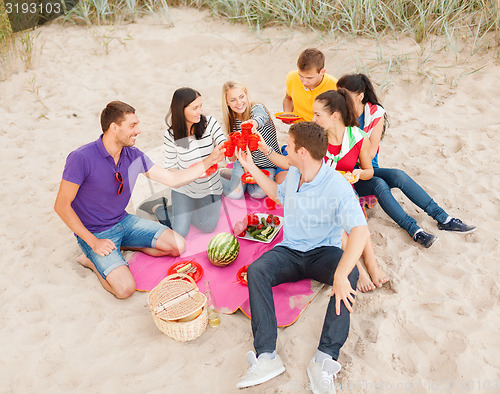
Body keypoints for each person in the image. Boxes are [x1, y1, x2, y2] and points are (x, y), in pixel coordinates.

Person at [235, 122, 369, 393]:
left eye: (289, 144)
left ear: (303, 151)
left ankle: (324, 359)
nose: (285, 147)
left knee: (350, 273)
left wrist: (341, 275)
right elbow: (276, 193)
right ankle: (267, 357)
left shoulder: (337, 186)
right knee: (257, 271)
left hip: (323, 252)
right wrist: (250, 166)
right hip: (291, 250)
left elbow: (360, 230)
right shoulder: (294, 174)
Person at [54, 101, 224, 299]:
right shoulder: (81, 158)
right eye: (132, 126)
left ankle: (123, 244)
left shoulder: (133, 155)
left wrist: (210, 159)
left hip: (123, 221)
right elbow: (61, 206)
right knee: (124, 290)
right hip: (94, 233)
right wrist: (93, 242)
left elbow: (172, 179)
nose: (139, 131)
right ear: (114, 128)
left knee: (178, 246)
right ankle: (91, 261)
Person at [256, 90, 389, 292]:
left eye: (318, 114)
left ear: (334, 115)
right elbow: (289, 163)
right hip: (321, 192)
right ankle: (360, 270)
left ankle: (372, 266)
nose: (313, 118)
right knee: (337, 223)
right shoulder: (317, 139)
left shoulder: (356, 137)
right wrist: (264, 148)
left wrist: (357, 174)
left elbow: (369, 170)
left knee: (355, 221)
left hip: (342, 187)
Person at [336, 74, 476, 247]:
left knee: (398, 175)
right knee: (380, 183)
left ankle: (443, 218)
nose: (340, 98)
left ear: (360, 96)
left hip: (365, 166)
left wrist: (357, 152)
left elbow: (371, 152)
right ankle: (415, 230)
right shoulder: (339, 114)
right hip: (347, 171)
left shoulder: (374, 112)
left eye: (344, 95)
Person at [149, 87, 227, 238]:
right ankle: (159, 207)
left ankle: (186, 212)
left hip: (210, 187)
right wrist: (204, 163)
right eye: (195, 108)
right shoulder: (171, 135)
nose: (200, 111)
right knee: (180, 232)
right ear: (181, 110)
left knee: (208, 226)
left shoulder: (210, 123)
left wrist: (225, 149)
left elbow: (224, 144)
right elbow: (171, 170)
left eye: (201, 106)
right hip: (185, 190)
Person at [277, 48, 338, 183]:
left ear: (322, 72)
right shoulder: (292, 77)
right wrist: (288, 113)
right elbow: (288, 99)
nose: (304, 82)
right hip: (298, 133)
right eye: (301, 76)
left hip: (322, 137)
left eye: (309, 78)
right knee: (282, 180)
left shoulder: (334, 85)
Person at [220, 80, 280, 199]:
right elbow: (233, 159)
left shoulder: (257, 108)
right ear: (227, 103)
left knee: (257, 193)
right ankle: (214, 178)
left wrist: (253, 124)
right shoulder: (232, 121)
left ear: (246, 95)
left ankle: (233, 177)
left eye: (241, 97)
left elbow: (260, 117)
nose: (239, 103)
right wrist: (232, 145)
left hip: (266, 165)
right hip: (244, 165)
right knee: (236, 194)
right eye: (233, 100)